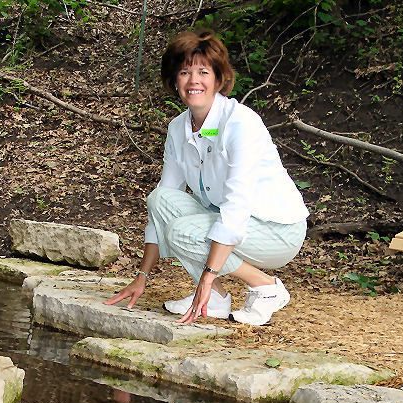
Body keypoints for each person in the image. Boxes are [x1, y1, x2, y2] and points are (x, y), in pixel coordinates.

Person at [104, 30, 309, 326]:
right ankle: (215, 299)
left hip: (277, 230)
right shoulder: (178, 129)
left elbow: (236, 207)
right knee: (160, 200)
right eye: (184, 72)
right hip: (230, 219)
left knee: (183, 232)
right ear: (174, 80)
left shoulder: (240, 123)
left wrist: (208, 275)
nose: (193, 81)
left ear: (218, 78)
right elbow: (161, 205)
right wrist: (142, 276)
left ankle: (266, 287)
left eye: (203, 72)